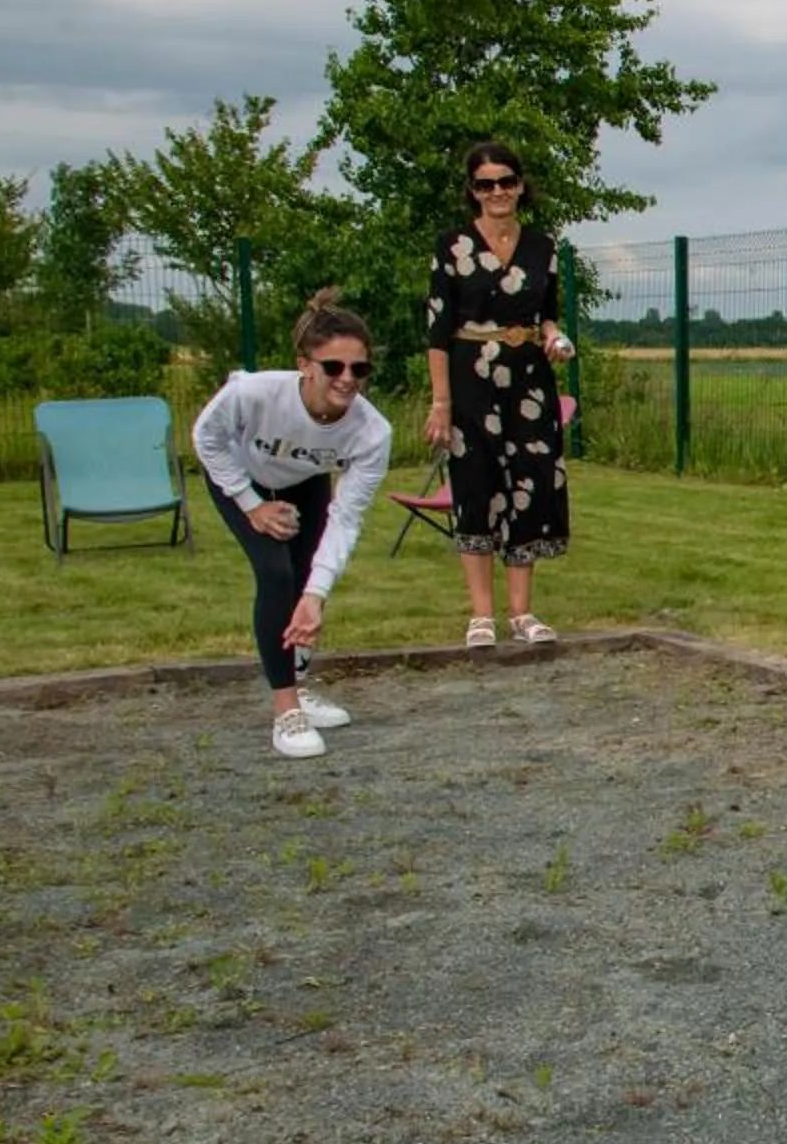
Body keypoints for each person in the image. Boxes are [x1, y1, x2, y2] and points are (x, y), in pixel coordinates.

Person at [191, 290, 396, 760]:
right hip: (240, 479)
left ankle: (300, 685)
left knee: (303, 581)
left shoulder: (373, 432)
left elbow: (346, 519)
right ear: (305, 364)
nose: (347, 379)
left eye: (359, 369)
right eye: (334, 367)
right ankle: (286, 710)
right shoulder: (254, 392)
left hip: (304, 480)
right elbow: (206, 437)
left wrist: (316, 596)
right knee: (276, 574)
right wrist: (250, 503)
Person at [425, 140, 573, 647]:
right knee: (476, 485)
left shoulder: (543, 247)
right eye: (486, 184)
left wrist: (552, 336)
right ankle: (481, 614)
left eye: (506, 181)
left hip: (529, 378)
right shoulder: (452, 246)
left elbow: (547, 310)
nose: (497, 191)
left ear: (520, 185)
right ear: (473, 190)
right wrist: (440, 402)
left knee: (530, 484)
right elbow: (437, 332)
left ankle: (522, 612)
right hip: (470, 380)